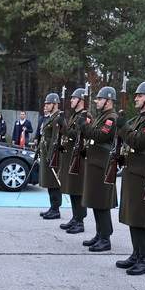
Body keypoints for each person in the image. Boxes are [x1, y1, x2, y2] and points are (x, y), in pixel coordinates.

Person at [114, 81, 145, 275]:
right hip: (134, 169)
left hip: (143, 172)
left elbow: (139, 142)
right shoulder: (141, 119)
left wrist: (123, 128)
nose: (136, 99)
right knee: (133, 213)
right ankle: (136, 253)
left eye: (139, 96)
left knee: (142, 215)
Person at [78, 86, 118, 252]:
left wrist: (84, 127)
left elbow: (101, 135)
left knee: (101, 202)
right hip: (95, 161)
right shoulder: (102, 116)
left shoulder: (111, 118)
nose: (97, 102)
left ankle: (105, 238)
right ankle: (99, 234)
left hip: (102, 164)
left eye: (100, 99)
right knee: (95, 200)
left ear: (108, 101)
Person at [59, 89, 90, 234]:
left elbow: (77, 135)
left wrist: (63, 127)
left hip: (78, 158)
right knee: (72, 189)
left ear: (81, 100)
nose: (71, 101)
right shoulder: (75, 115)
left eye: (74, 98)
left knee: (77, 190)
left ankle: (80, 220)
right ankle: (75, 217)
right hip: (70, 156)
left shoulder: (85, 116)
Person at [38, 93, 65, 220]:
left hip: (52, 154)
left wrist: (51, 155)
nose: (46, 106)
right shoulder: (50, 117)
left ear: (55, 104)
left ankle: (56, 208)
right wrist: (39, 150)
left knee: (54, 182)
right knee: (49, 182)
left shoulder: (58, 118)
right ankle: (52, 207)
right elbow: (44, 136)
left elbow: (56, 138)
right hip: (47, 152)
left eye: (48, 103)